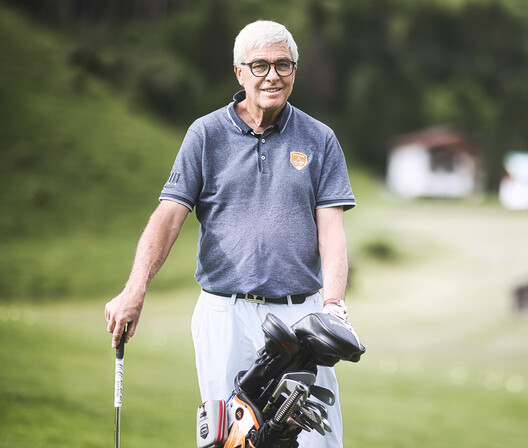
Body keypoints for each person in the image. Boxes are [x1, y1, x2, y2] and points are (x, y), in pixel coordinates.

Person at [104, 20, 356, 448]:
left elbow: (331, 233)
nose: (272, 75)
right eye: (259, 65)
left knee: (316, 440)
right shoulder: (205, 134)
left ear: (295, 71)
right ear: (239, 72)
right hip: (225, 314)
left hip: (300, 316)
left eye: (283, 65)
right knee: (231, 440)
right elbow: (169, 216)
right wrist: (134, 289)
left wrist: (333, 306)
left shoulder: (320, 138)